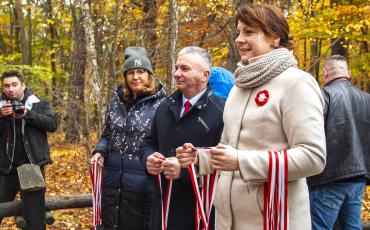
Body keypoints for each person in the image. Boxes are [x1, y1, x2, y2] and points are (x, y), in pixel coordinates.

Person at [176, 3, 326, 229]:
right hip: (228, 220)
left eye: (249, 32)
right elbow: (229, 147)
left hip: (274, 221)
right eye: (238, 32)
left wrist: (241, 161)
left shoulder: (297, 83)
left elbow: (313, 157)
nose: (239, 39)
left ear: (275, 38)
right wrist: (200, 158)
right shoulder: (238, 88)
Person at [140, 46, 224, 230]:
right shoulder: (164, 106)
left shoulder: (221, 112)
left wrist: (185, 172)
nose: (177, 73)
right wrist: (148, 158)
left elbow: (225, 164)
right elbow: (149, 142)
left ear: (205, 75)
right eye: (177, 68)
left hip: (199, 212)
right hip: (162, 210)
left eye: (185, 69)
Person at [91, 46, 166, 230]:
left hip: (143, 185)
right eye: (131, 72)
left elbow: (164, 143)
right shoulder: (115, 102)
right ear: (125, 76)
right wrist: (100, 151)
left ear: (149, 75)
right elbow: (107, 134)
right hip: (112, 182)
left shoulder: (162, 104)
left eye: (141, 72)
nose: (136, 77)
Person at [307, 55, 370, 229]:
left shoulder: (323, 96)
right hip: (359, 178)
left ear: (325, 73)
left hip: (328, 178)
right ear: (348, 73)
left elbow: (310, 132)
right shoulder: (367, 99)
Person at [0, 70, 58, 229]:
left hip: (32, 168)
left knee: (35, 220)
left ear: (23, 85)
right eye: (6, 86)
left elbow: (52, 124)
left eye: (14, 84)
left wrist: (27, 114)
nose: (10, 89)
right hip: (6, 167)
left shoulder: (37, 103)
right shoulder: (0, 106)